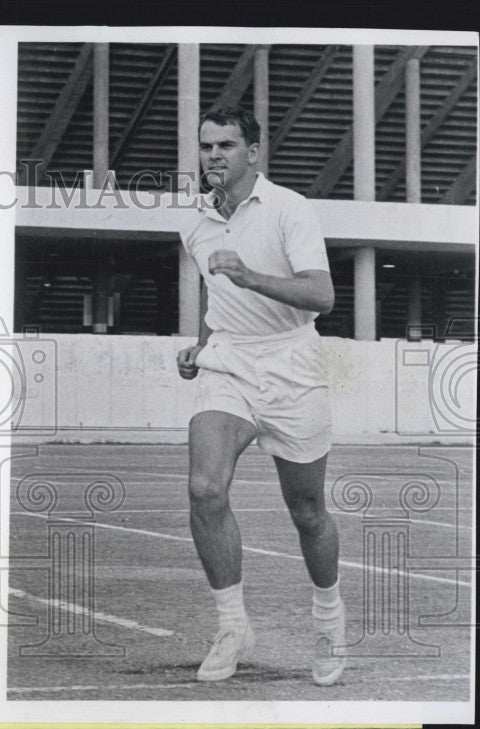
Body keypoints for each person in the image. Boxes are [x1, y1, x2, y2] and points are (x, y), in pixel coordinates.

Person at [175, 106, 345, 686]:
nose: (214, 155)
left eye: (226, 145)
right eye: (206, 146)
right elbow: (213, 294)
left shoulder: (289, 208)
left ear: (253, 152)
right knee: (205, 486)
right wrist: (199, 348)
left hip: (292, 362)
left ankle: (328, 618)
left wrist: (250, 276)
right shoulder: (194, 222)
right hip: (229, 362)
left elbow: (322, 295)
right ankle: (232, 626)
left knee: (308, 512)